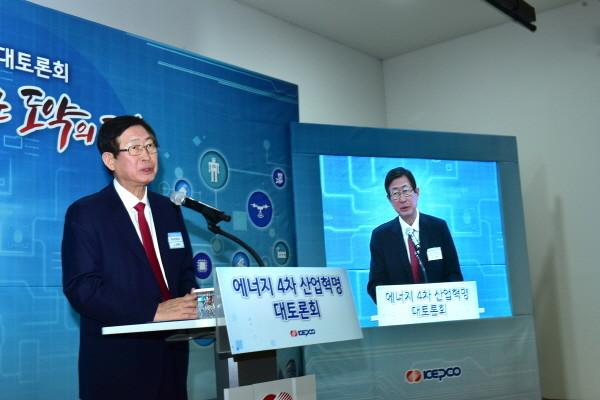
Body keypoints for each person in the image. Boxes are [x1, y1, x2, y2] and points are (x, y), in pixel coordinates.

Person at [61, 115, 199, 400]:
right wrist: (153, 311)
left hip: (173, 355)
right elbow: (83, 289)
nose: (146, 156)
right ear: (110, 160)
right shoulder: (87, 213)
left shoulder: (168, 209)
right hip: (119, 363)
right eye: (134, 148)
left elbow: (185, 270)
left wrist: (190, 301)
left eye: (150, 146)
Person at [367, 167, 463, 303]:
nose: (402, 199)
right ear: (389, 199)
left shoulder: (438, 227)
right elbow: (376, 284)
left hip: (438, 310)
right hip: (401, 313)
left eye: (406, 191)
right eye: (395, 194)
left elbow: (454, 274)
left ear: (417, 192)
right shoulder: (381, 236)